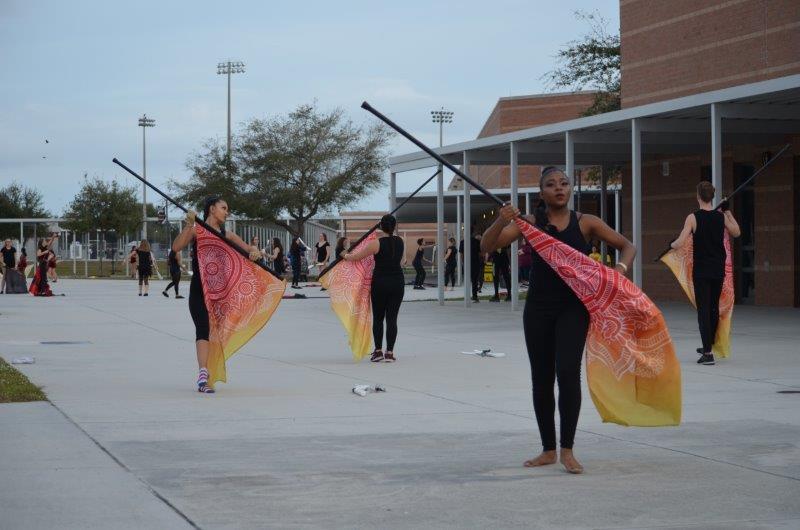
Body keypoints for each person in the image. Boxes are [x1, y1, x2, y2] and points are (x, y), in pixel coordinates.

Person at [480, 166, 635, 474]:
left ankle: (568, 450)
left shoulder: (586, 222)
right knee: (541, 378)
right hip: (538, 309)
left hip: (573, 309)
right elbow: (487, 246)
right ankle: (548, 450)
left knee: (567, 373)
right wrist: (501, 219)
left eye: (564, 183)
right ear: (542, 193)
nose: (559, 188)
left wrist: (618, 271)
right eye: (551, 185)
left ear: (570, 189)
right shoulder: (530, 223)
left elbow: (628, 246)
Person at [171, 196, 263, 393]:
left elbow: (248, 249)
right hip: (199, 289)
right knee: (203, 329)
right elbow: (176, 247)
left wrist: (255, 251)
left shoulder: (226, 235)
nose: (226, 212)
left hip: (220, 295)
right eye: (223, 208)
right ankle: (203, 374)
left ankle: (209, 371)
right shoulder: (197, 230)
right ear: (212, 209)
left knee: (215, 334)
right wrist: (188, 225)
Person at [670, 181, 740, 366]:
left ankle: (708, 353)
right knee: (713, 308)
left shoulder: (693, 218)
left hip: (701, 270)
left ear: (698, 196)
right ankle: (708, 345)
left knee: (703, 310)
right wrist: (727, 211)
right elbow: (737, 232)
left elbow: (680, 242)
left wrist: (671, 245)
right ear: (712, 197)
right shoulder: (720, 217)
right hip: (717, 269)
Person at [341, 214, 404, 363]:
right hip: (397, 282)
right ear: (394, 226)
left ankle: (378, 351)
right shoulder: (401, 241)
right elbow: (401, 261)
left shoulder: (376, 243)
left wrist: (345, 255)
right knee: (392, 318)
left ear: (381, 226)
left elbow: (357, 257)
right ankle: (390, 353)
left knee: (378, 318)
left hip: (380, 283)